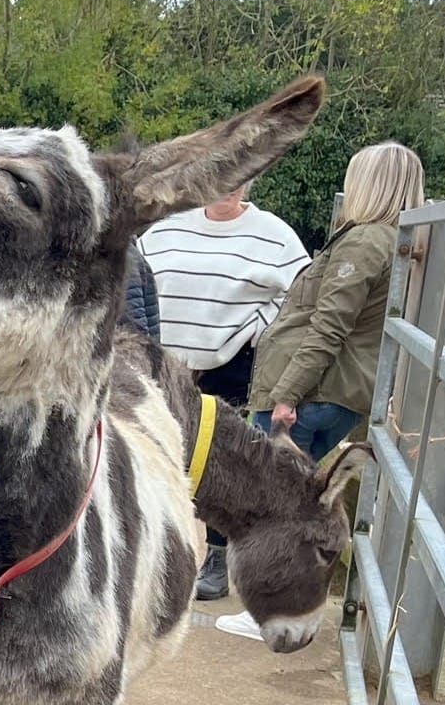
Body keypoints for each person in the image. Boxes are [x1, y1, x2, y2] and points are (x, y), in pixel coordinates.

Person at [216, 140, 426, 642]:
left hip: (315, 390)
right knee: (293, 503)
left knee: (277, 504)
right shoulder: (386, 240)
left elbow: (328, 328)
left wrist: (286, 394)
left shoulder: (363, 243)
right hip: (334, 389)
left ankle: (271, 607)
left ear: (369, 184)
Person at [139, 180, 309, 600]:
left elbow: (303, 296)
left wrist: (260, 328)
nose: (228, 188)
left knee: (221, 468)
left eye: (239, 180)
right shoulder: (167, 228)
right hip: (165, 365)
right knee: (155, 456)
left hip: (229, 366)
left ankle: (214, 558)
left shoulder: (274, 235)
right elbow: (135, 277)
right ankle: (155, 552)